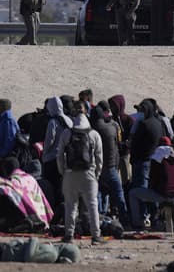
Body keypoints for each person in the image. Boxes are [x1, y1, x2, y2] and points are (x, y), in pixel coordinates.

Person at [56, 100, 104, 244]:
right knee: (92, 205)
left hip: (70, 173)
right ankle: (96, 236)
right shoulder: (93, 134)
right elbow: (99, 158)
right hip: (88, 173)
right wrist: (96, 174)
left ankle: (69, 235)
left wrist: (63, 171)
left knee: (71, 206)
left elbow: (59, 155)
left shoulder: (66, 133)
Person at [0, 98, 20, 164]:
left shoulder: (8, 121)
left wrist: (3, 156)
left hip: (5, 159)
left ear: (3, 108)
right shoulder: (4, 120)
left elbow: (10, 141)